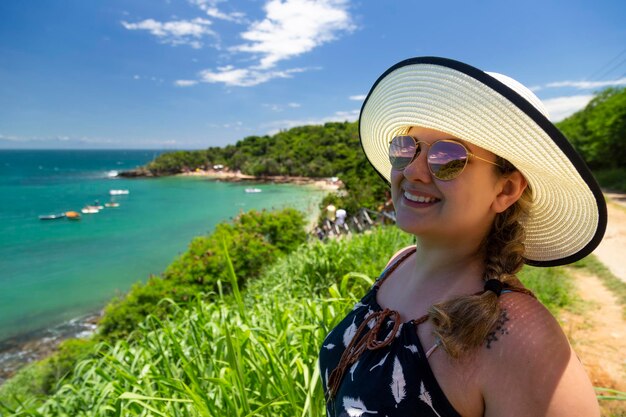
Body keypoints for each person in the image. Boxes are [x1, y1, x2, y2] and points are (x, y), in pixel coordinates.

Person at [318, 57, 607, 417]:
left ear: (506, 190)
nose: (413, 171)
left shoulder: (522, 340)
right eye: (406, 147)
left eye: (449, 157)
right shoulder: (399, 264)